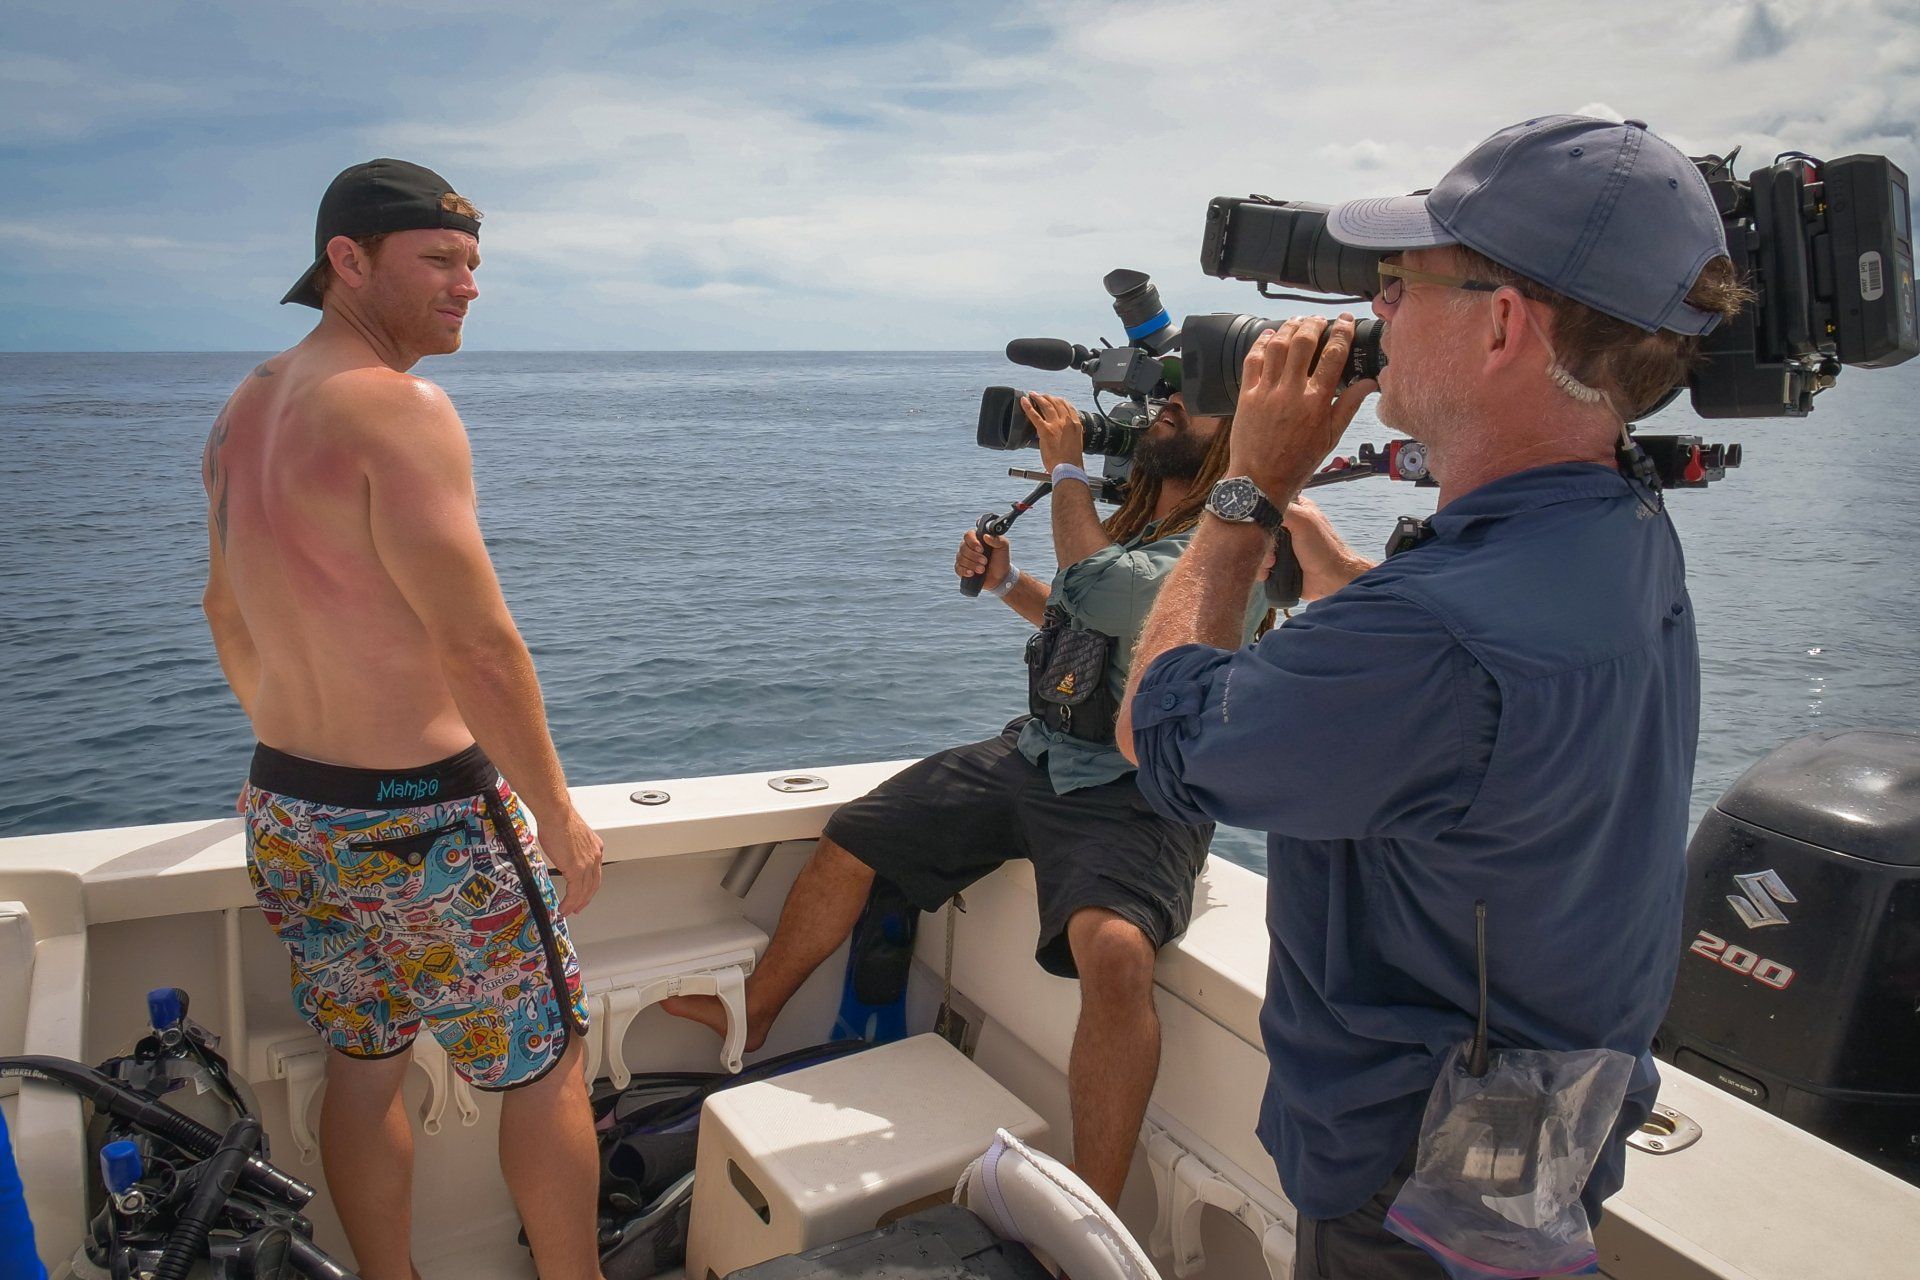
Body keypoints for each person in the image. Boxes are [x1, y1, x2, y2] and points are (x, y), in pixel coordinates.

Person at [1116, 116, 1752, 1279]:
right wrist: (1342, 574)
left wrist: (1247, 489)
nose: (1377, 314)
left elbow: (1159, 729)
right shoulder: (1620, 523)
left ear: (1503, 323)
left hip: (1408, 1184)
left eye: (1401, 285)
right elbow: (1476, 698)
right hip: (1549, 1126)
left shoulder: (1431, 637)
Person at [664, 385, 1267, 1206]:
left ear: (1236, 435)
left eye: (1196, 399)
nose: (1169, 402)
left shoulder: (1235, 539)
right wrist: (1007, 582)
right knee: (857, 832)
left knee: (1117, 953)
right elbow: (1083, 616)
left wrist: (1065, 470)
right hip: (1042, 751)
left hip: (1138, 786)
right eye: (1167, 391)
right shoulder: (1138, 525)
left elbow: (1105, 588)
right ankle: (758, 1009)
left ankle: (1089, 1214)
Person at [200, 159, 607, 1280]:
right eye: (439, 259)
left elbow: (224, 609)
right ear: (348, 259)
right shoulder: (399, 406)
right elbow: (479, 646)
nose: (468, 284)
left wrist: (298, 742)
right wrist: (558, 816)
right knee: (548, 1065)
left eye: (473, 263)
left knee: (364, 1059)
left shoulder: (242, 412)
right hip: (427, 823)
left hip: (291, 810)